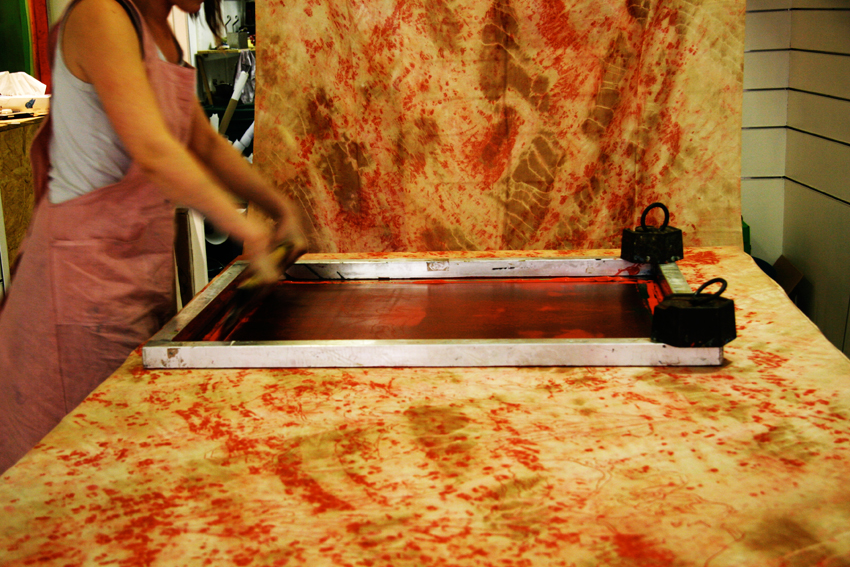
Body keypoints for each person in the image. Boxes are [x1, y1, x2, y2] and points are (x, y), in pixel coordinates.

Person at [0, 0, 306, 473]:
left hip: (132, 277)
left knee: (124, 444)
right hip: (78, 287)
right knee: (75, 456)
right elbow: (154, 149)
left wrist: (280, 207)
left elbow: (203, 143)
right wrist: (247, 228)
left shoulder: (161, 36)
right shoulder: (101, 15)